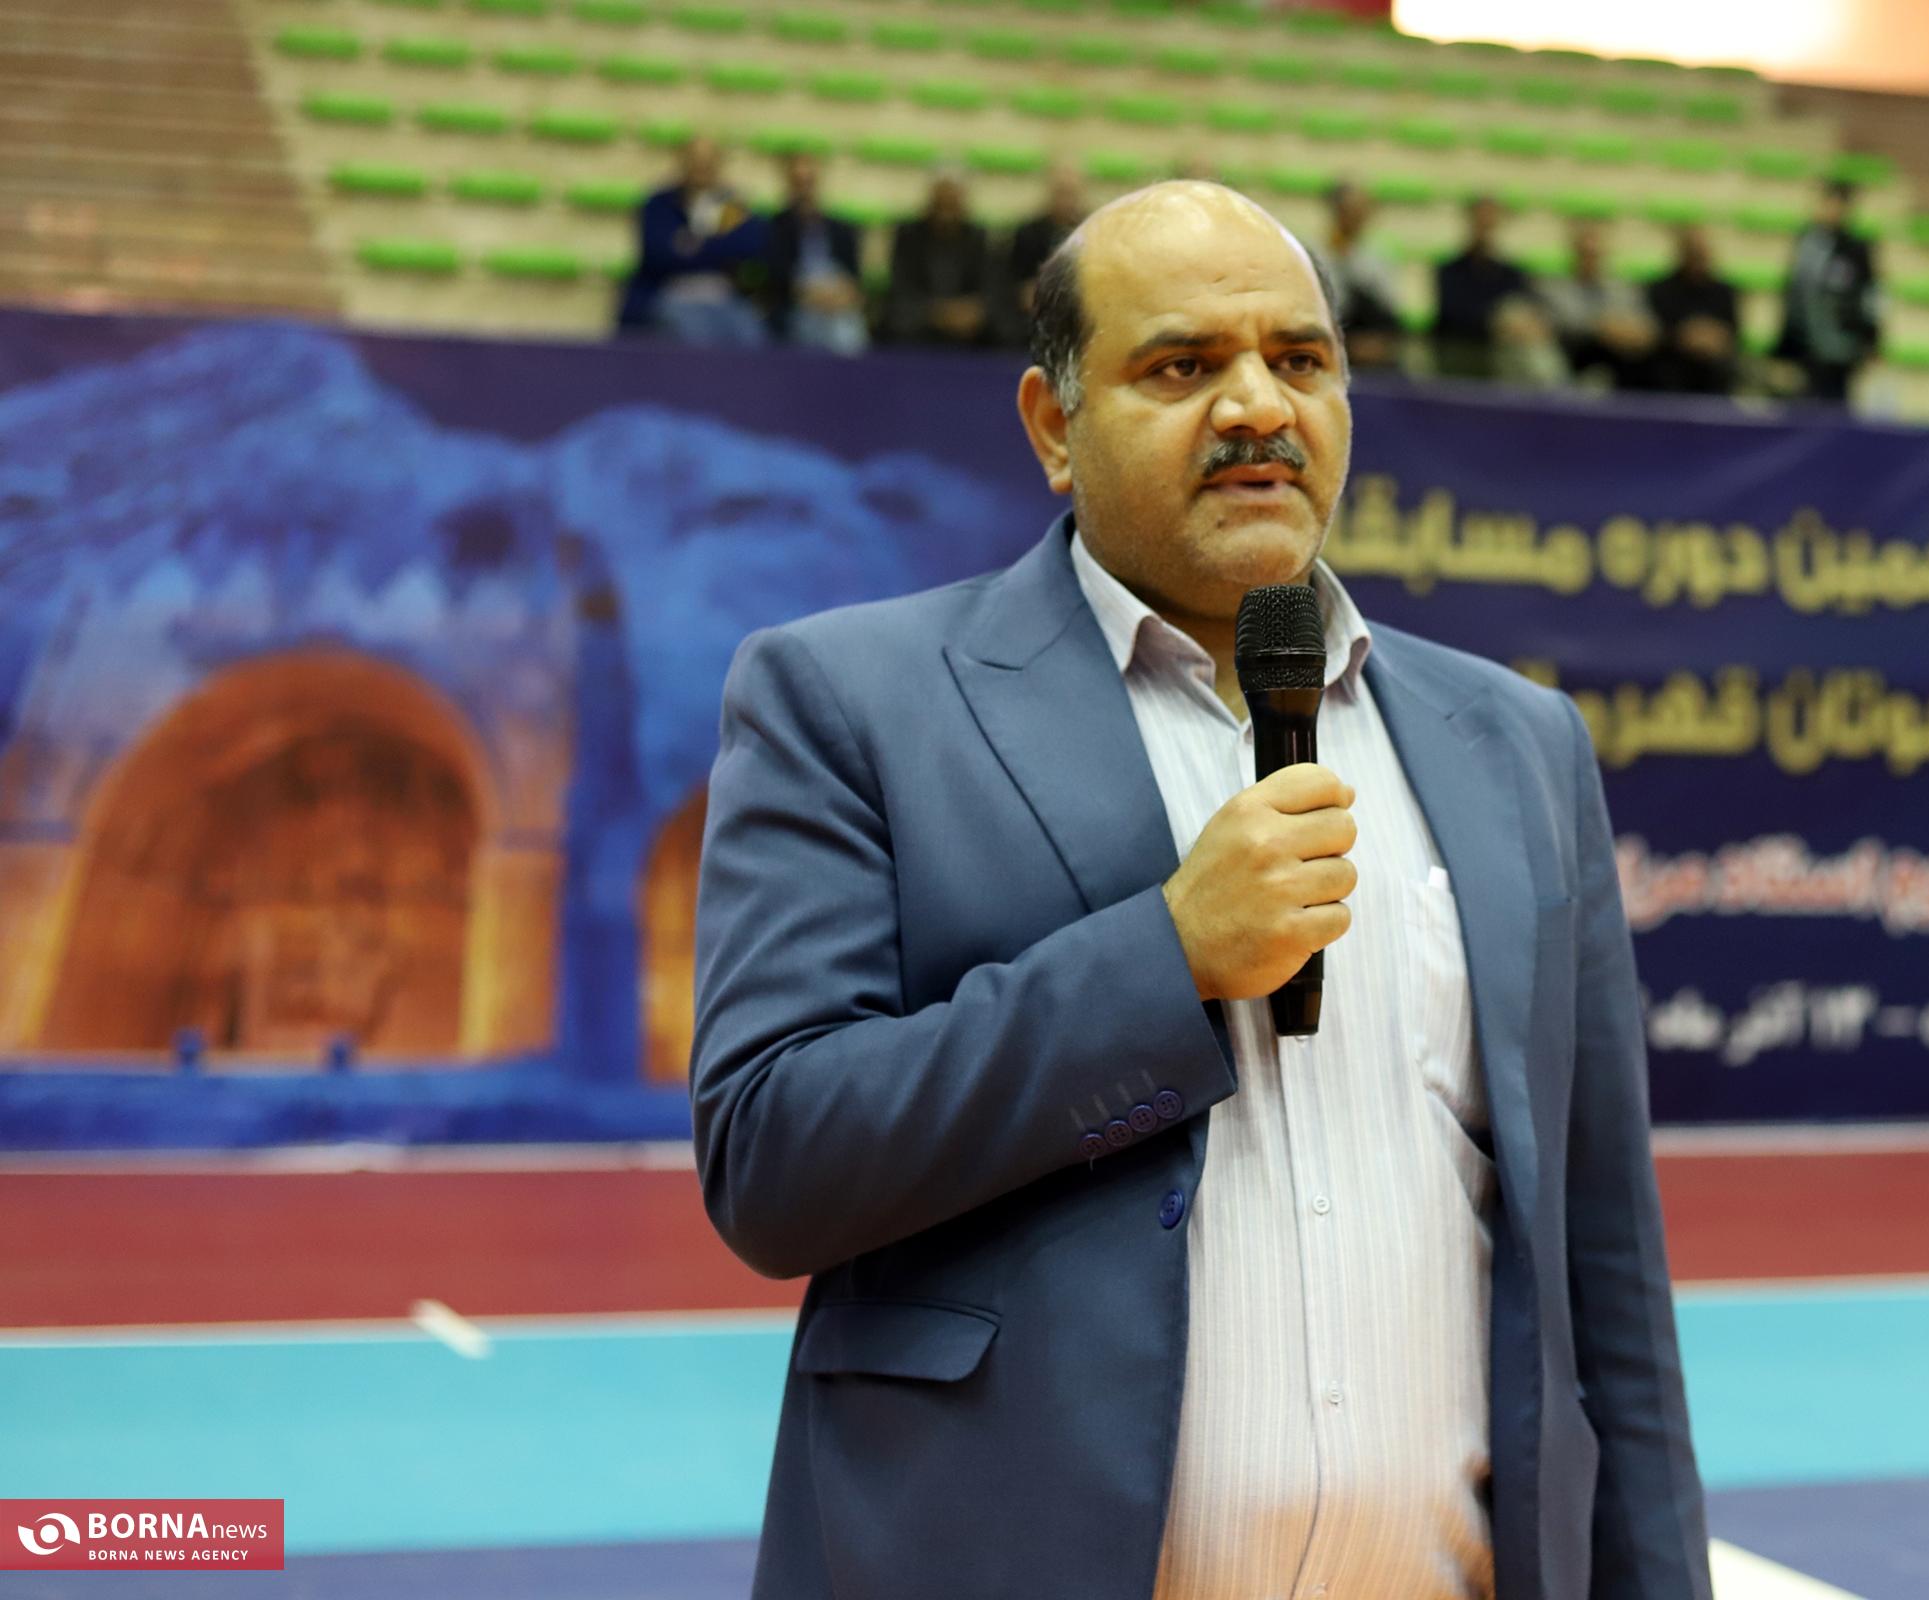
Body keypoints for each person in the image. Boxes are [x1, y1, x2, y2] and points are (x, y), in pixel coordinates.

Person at [691, 180, 1711, 1600]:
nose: (1257, 407)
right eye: (1181, 367)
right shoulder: (852, 700)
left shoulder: (1518, 743)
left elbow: (1604, 1279)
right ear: (1055, 426)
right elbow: (774, 1160)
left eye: (1300, 360)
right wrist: (1164, 961)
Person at [617, 135, 767, 346]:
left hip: (726, 298)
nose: (701, 167)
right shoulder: (659, 204)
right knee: (698, 337)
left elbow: (750, 247)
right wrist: (718, 245)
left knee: (752, 337)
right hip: (673, 296)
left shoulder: (732, 205)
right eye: (696, 160)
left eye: (708, 161)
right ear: (683, 162)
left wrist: (692, 245)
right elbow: (657, 255)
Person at [1774, 178, 1882, 404]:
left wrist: (1872, 339)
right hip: (1805, 343)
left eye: (1837, 204)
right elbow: (1793, 291)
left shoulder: (1856, 248)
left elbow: (1870, 296)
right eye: (1827, 202)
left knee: (1835, 402)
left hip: (1841, 344)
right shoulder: (1806, 241)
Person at [760, 152, 867, 355]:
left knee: (847, 331)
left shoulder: (841, 229)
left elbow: (855, 278)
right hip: (798, 306)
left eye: (809, 182)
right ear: (789, 185)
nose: (804, 189)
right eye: (798, 182)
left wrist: (843, 296)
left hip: (838, 305)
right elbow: (775, 276)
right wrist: (809, 295)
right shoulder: (775, 227)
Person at [1538, 218, 1656, 389]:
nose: (1590, 259)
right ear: (1574, 253)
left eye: (1594, 254)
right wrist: (1601, 327)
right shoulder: (1551, 287)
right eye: (1585, 253)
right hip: (1573, 353)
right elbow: (1555, 323)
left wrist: (1632, 332)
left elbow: (1645, 325)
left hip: (1617, 355)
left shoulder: (1624, 289)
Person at [882, 169, 992, 347]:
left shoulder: (978, 238)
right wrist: (939, 313)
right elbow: (901, 290)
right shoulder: (908, 236)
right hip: (921, 321)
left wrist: (970, 311)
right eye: (941, 204)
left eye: (951, 204)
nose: (946, 213)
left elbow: (990, 288)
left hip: (968, 326)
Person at [1432, 193, 1536, 379]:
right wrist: (1496, 323)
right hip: (1462, 350)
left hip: (1504, 350)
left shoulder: (1513, 274)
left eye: (1490, 221)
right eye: (1481, 220)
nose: (1485, 226)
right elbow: (1452, 315)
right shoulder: (1449, 271)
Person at [994, 164, 1088, 346]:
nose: (1066, 201)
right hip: (1031, 316)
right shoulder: (1027, 233)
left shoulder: (1091, 232)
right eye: (1061, 193)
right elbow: (1011, 280)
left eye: (1070, 193)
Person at [1644, 225, 1742, 396]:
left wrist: (1713, 339)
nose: (1698, 258)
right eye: (1693, 252)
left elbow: (1733, 330)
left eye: (1701, 253)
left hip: (1714, 362)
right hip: (1673, 360)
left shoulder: (1724, 291)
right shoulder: (1660, 289)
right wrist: (1686, 337)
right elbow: (1656, 331)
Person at [1319, 180, 1405, 369]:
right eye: (1348, 210)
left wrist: (1377, 343)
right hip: (1331, 344)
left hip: (1375, 348)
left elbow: (1389, 310)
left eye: (1360, 210)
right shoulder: (1317, 254)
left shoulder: (1380, 255)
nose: (1355, 216)